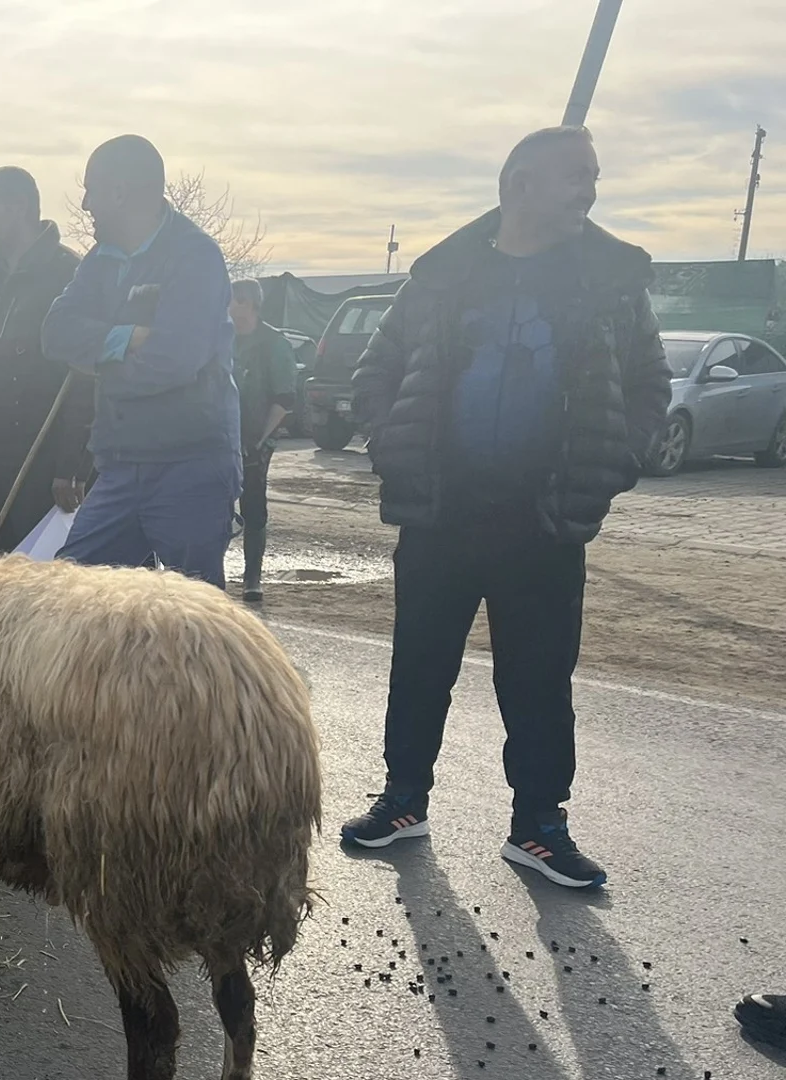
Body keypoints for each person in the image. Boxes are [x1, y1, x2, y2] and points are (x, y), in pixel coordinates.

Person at [337, 126, 671, 890]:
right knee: (419, 665)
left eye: (594, 176)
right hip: (441, 513)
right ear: (519, 183)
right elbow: (376, 368)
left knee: (539, 679)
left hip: (544, 521)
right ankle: (402, 801)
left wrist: (617, 459)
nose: (589, 190)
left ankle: (539, 826)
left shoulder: (609, 282)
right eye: (575, 176)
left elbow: (651, 386)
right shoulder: (445, 276)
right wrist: (392, 443)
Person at [40, 135, 240, 587]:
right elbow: (54, 333)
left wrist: (97, 363)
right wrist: (127, 338)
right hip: (119, 461)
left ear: (120, 191)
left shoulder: (195, 256)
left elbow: (174, 360)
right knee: (75, 594)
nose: (86, 204)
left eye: (90, 190)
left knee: (194, 621)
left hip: (189, 465)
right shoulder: (99, 260)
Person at [0, 166, 89, 553]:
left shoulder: (68, 275)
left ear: (20, 207)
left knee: (29, 589)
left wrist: (70, 466)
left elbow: (85, 378)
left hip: (36, 467)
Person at [228, 278, 297, 601]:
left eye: (235, 300)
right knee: (212, 503)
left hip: (257, 436)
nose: (230, 306)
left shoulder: (273, 343)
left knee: (253, 503)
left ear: (249, 304)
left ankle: (251, 576)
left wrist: (259, 440)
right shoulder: (222, 338)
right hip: (220, 433)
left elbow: (284, 398)